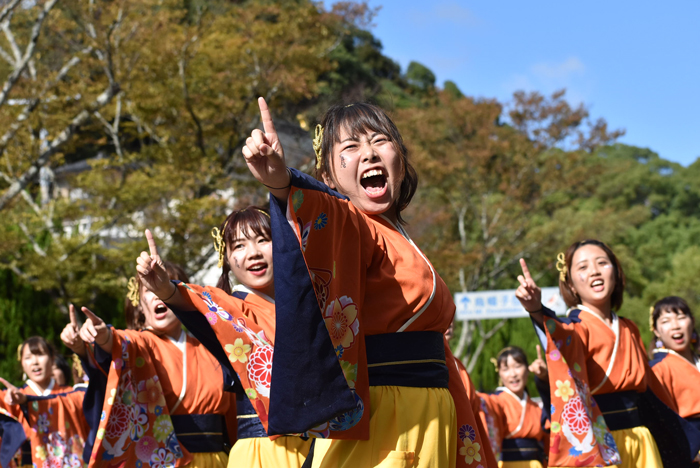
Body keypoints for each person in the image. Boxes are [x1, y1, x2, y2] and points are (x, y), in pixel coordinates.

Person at [228, 97, 491, 467]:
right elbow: (322, 209)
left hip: (426, 409)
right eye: (350, 147)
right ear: (330, 177)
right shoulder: (349, 221)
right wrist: (281, 181)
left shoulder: (396, 233)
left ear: (400, 158)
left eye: (380, 140)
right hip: (389, 414)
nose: (368, 153)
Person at [141, 207, 312, 467]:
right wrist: (166, 289)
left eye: (263, 240)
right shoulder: (228, 311)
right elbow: (195, 303)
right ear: (227, 260)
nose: (253, 253)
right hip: (263, 452)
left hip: (317, 444)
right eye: (239, 246)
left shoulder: (308, 307)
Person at [515, 239, 700, 467]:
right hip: (599, 439)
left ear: (616, 273)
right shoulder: (574, 327)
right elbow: (559, 336)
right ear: (571, 284)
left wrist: (682, 435)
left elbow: (653, 390)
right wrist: (536, 308)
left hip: (642, 438)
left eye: (602, 263)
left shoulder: (629, 327)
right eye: (582, 267)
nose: (594, 271)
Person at [76, 261, 238, 468]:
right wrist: (103, 335)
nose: (157, 294)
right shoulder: (140, 344)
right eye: (149, 289)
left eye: (165, 286)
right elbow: (119, 343)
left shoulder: (211, 347)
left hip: (217, 460)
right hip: (163, 460)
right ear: (141, 303)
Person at [0, 336, 89, 468]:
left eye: (40, 354)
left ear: (52, 359)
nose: (35, 362)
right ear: (22, 364)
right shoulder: (11, 398)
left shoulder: (74, 396)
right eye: (28, 357)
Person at [477, 346, 547, 468]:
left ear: (527, 368)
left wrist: (544, 379)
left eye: (518, 366)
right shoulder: (496, 401)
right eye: (505, 369)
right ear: (499, 373)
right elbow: (481, 401)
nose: (513, 374)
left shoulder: (537, 407)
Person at [649, 296, 700, 430]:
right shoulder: (658, 369)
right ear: (656, 330)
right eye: (666, 321)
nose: (675, 326)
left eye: (681, 318)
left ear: (692, 322)